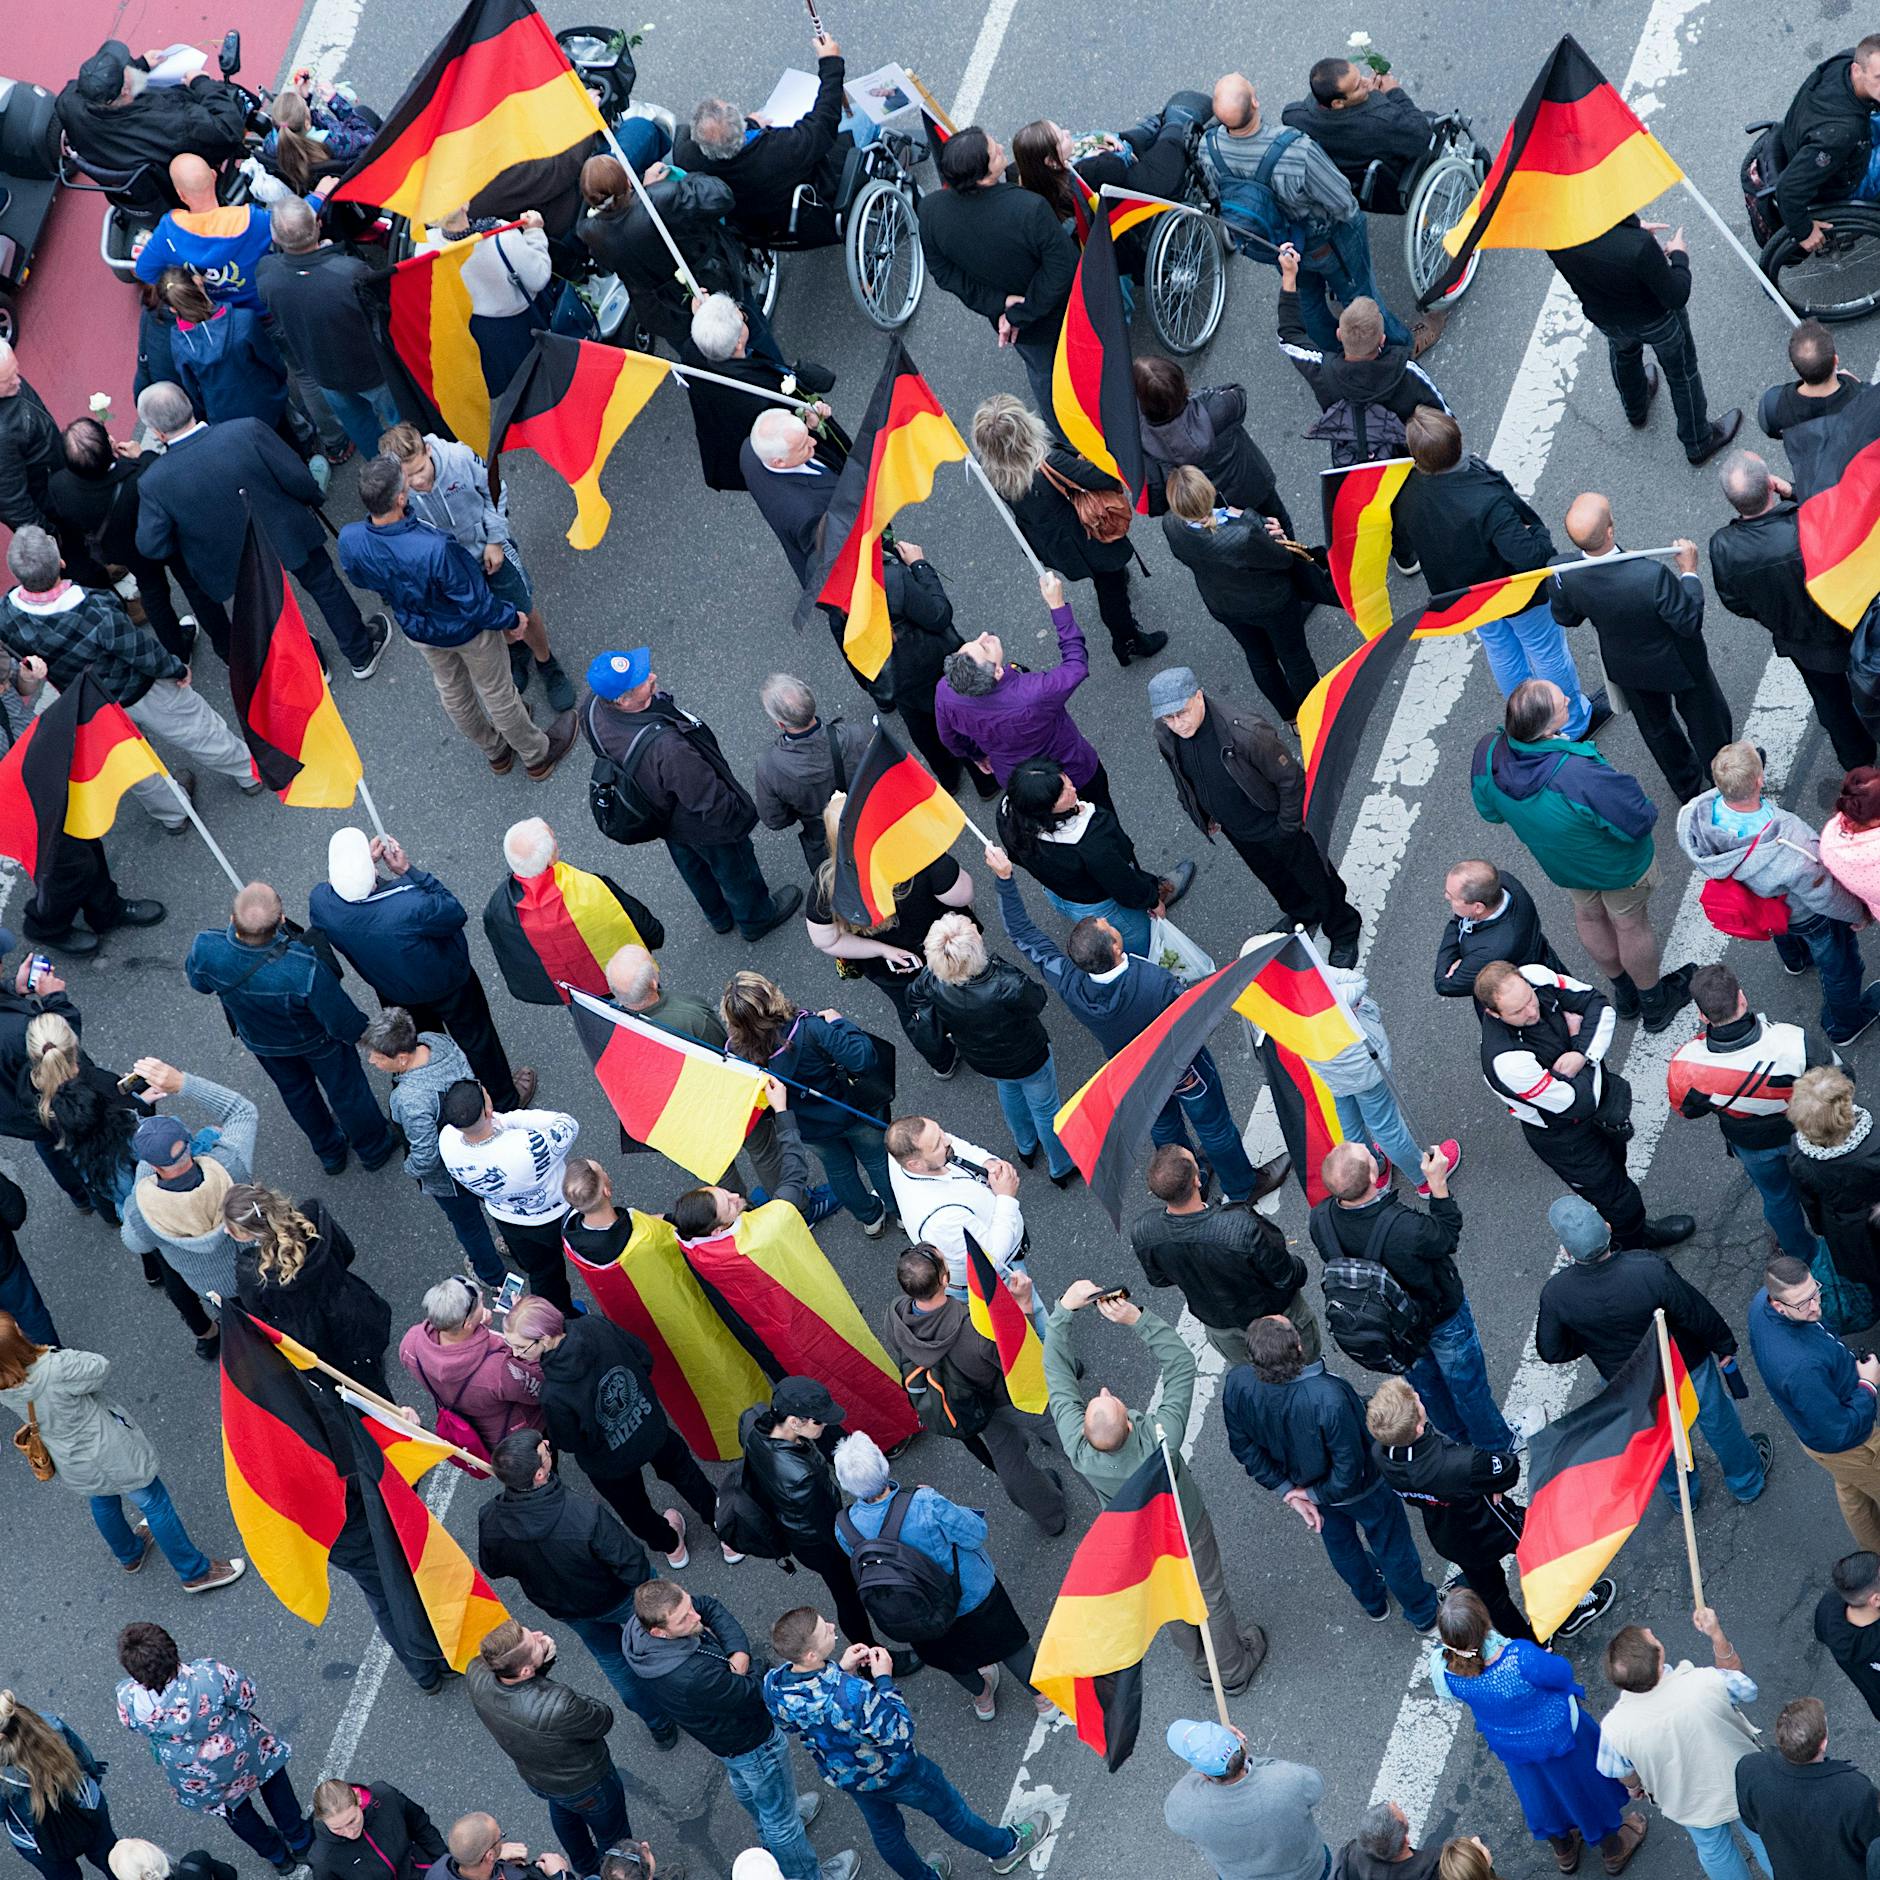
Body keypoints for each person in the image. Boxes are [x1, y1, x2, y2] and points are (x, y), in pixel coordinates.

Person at [992, 849, 1262, 1196]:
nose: (1111, 924)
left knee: (1164, 1128)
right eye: (1109, 927)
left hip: (1134, 1071)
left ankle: (1188, 1180)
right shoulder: (1154, 983)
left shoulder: (1070, 984)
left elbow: (1023, 934)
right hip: (1183, 1066)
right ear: (1116, 949)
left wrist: (1004, 879)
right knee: (1214, 1127)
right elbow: (1193, 1016)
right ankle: (1242, 1187)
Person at [1046, 1284, 1268, 1688]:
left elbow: (1058, 1378)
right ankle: (1231, 1669)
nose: (1105, 1390)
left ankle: (1201, 1667)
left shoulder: (1080, 1451)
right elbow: (1181, 1363)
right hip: (1185, 1523)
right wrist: (1137, 1318)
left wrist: (1062, 1312)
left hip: (1137, 1538)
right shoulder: (1160, 1436)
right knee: (1209, 1594)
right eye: (1112, 1400)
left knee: (1169, 1600)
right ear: (1130, 1425)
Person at [0, 527, 260, 832]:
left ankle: (172, 813)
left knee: (134, 763)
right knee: (197, 730)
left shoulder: (7, 614)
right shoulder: (94, 606)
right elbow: (138, 650)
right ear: (61, 563)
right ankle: (248, 773)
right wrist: (175, 668)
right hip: (139, 688)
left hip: (91, 702)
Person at [762, 1606, 1051, 1879]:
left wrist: (840, 1670)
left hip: (849, 1777)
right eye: (824, 1630)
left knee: (887, 1835)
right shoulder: (850, 1694)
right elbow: (900, 1733)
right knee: (952, 1813)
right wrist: (883, 1679)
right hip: (897, 1771)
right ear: (811, 1655)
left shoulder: (775, 1685)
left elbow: (794, 1722)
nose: (831, 1626)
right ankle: (1006, 1848)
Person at [1472, 681, 1691, 1030]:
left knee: (1589, 916)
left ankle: (1625, 994)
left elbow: (1490, 812)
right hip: (1617, 866)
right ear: (1546, 730)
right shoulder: (1576, 774)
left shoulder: (1488, 753)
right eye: (1561, 702)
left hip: (1563, 864)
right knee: (1630, 924)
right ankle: (1654, 1001)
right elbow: (1637, 820)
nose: (1567, 698)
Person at [340, 458, 576, 781]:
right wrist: (511, 618)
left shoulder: (350, 539)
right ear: (400, 499)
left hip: (419, 630)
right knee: (498, 693)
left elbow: (360, 577)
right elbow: (475, 602)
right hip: (466, 631)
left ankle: (496, 752)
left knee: (454, 692)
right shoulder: (435, 547)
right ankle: (537, 755)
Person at [133, 382, 390, 676]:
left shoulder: (154, 481)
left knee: (270, 613)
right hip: (284, 529)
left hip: (233, 561)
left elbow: (152, 545)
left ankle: (314, 667)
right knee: (323, 585)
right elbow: (296, 476)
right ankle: (360, 651)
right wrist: (313, 497)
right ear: (189, 404)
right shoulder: (246, 430)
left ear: (157, 432)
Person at [1536, 1194, 1770, 1505]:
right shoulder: (1648, 1268)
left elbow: (1551, 1350)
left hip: (1628, 1379)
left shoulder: (1557, 1294)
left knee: (1656, 1441)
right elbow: (1692, 1311)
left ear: (1567, 1251)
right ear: (1608, 1228)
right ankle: (1747, 1482)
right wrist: (1723, 1344)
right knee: (1717, 1421)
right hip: (1683, 1362)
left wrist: (1591, 1341)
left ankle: (1683, 1497)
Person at [624, 1581, 857, 1880]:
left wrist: (739, 1655)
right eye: (684, 1618)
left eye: (689, 1605)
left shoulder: (642, 1627)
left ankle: (773, 1832)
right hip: (751, 1741)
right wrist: (755, 1664)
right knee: (781, 1822)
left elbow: (709, 1605)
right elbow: (752, 1691)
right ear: (660, 1632)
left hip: (724, 1741)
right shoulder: (693, 1676)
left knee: (748, 1786)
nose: (696, 1616)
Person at [1225, 1312, 1439, 1630]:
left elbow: (1244, 1448)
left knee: (1342, 1546)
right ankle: (1423, 1612)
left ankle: (1373, 1602)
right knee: (1392, 1546)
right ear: (1298, 1347)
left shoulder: (1238, 1383)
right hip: (1361, 1489)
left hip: (1307, 1486)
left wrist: (1291, 1491)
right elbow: (1349, 1468)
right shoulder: (1329, 1397)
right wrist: (1309, 1494)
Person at [0, 1313, 242, 1588]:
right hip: (106, 1451)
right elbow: (99, 1368)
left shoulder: (5, 1386)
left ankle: (130, 1554)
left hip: (70, 1458)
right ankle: (195, 1572)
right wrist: (49, 1353)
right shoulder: (55, 1368)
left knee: (102, 1499)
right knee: (155, 1503)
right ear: (17, 1342)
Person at [1397, 410, 1597, 733]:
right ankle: (1572, 724)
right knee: (1545, 650)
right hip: (1514, 592)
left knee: (1501, 648)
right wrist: (1538, 532)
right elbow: (1531, 558)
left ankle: (1528, 722)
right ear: (1458, 439)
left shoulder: (1406, 492)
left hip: (1469, 596)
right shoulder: (1486, 501)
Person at [582, 647, 802, 941]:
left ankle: (718, 916)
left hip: (663, 817)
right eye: (642, 681)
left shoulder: (592, 708)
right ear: (623, 700)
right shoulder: (668, 748)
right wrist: (737, 819)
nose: (652, 676)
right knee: (735, 868)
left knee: (691, 865)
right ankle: (757, 918)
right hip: (701, 822)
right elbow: (709, 799)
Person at [833, 1432, 1052, 1723]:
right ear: (882, 1465)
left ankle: (983, 1697)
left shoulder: (845, 1526)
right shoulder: (924, 1502)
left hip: (915, 1612)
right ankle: (1043, 1699)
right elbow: (975, 1533)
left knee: (952, 1657)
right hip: (970, 1594)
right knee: (1009, 1643)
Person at [1474, 960, 1694, 1248]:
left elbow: (1599, 1006)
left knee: (1618, 1170)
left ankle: (1633, 1235)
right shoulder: (1508, 1062)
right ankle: (1635, 1250)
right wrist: (1580, 1037)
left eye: (1529, 999)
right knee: (1618, 1200)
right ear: (1493, 1013)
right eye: (1518, 1012)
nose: (1532, 1011)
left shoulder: (1536, 976)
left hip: (1599, 1106)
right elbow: (1580, 1102)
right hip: (1566, 1138)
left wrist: (1580, 1055)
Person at [1150, 669, 1363, 965]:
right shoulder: (1166, 734)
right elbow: (1182, 776)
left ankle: (1344, 928)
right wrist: (1202, 813)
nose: (1177, 724)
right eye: (1168, 718)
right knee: (1275, 879)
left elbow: (1291, 780)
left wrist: (1287, 827)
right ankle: (1303, 913)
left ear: (1198, 696)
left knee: (1316, 878)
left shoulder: (1247, 732)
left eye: (1182, 713)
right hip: (1237, 829)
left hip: (1276, 824)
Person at [1202, 73, 1423, 354]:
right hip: (1324, 243)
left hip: (1279, 246)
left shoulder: (1209, 148)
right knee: (1359, 295)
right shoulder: (1295, 150)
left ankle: (1330, 351)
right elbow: (1343, 202)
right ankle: (1401, 346)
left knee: (1307, 299)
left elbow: (1216, 192)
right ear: (1255, 102)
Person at [186, 883, 398, 1174]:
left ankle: (330, 1153)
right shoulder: (303, 966)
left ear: (233, 919)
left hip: (262, 1042)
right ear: (282, 920)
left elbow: (200, 985)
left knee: (298, 1095)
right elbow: (341, 1021)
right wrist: (369, 1037)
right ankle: (374, 1149)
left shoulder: (206, 947)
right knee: (347, 1091)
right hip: (317, 1041)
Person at [1430, 1591, 1647, 1875]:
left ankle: (1565, 1851)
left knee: (1542, 1800)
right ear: (1484, 1622)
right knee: (1587, 1792)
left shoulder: (1446, 1672)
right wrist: (1543, 1657)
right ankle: (1613, 1850)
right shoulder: (1520, 1657)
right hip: (1562, 1740)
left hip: (1515, 1750)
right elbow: (1562, 1673)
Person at [476, 1430, 670, 1745]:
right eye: (544, 1450)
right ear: (540, 1475)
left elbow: (493, 1568)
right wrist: (651, 1587)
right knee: (666, 1629)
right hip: (617, 1597)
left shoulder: (491, 1518)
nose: (549, 1445)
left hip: (566, 1608)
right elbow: (631, 1563)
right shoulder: (583, 1513)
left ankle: (658, 1724)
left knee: (614, 1662)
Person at [315, 829, 531, 1112]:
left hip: (394, 989)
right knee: (476, 1038)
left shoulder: (321, 905)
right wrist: (407, 870)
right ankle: (503, 1100)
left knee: (423, 1048)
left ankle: (444, 1103)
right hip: (448, 982)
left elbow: (333, 890)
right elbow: (453, 912)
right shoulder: (409, 905)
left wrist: (360, 870)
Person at [1314, 1143, 1510, 1448]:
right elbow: (1446, 1236)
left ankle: (1459, 1441)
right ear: (1373, 1175)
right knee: (1468, 1389)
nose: (1368, 1148)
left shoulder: (1320, 1219)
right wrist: (1438, 1184)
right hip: (1441, 1318)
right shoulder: (1404, 1227)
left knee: (1428, 1389)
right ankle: (1496, 1446)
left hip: (1395, 1331)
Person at [1683, 742, 1880, 1043]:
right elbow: (1825, 895)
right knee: (1841, 969)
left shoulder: (1694, 818)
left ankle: (1796, 961)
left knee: (1783, 929)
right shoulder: (1790, 840)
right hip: (1809, 916)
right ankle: (1844, 1025)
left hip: (1764, 905)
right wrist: (1859, 914)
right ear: (1759, 780)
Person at [508, 1297, 720, 1569]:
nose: (515, 1354)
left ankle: (671, 1545)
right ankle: (726, 1530)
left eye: (520, 1346)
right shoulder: (595, 1325)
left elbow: (569, 1442)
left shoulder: (553, 1394)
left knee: (634, 1509)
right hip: (649, 1425)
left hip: (609, 1462)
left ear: (546, 1338)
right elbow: (644, 1357)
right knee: (686, 1474)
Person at [378, 424, 575, 712]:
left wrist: (494, 540)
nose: (417, 481)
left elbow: (495, 492)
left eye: (420, 469)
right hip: (454, 572)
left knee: (523, 608)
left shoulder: (459, 458)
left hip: (489, 551)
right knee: (489, 615)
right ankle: (516, 650)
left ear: (428, 450)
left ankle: (547, 663)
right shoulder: (396, 491)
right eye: (408, 476)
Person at [1550, 502, 1731, 802]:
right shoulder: (1650, 575)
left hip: (1627, 667)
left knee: (1657, 730)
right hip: (1679, 661)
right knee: (1707, 722)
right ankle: (1724, 776)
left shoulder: (1564, 571)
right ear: (1610, 531)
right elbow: (1688, 621)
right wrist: (1689, 572)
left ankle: (1686, 786)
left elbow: (1567, 616)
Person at [881, 1245, 1067, 1535]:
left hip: (972, 1406)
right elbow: (1018, 1355)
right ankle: (1111, 1483)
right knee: (1067, 1434)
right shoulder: (973, 1330)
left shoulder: (896, 1316)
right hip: (1007, 1397)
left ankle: (1049, 1516)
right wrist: (1024, 1305)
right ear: (945, 1279)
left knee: (1008, 1458)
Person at [965, 399, 1164, 664]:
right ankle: (1127, 641)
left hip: (1051, 542)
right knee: (1110, 588)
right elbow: (1106, 478)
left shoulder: (990, 471)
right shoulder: (1051, 462)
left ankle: (1122, 616)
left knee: (1106, 579)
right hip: (1088, 538)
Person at [1711, 451, 1875, 771]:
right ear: (1770, 485)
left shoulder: (1724, 548)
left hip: (1803, 645)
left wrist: (1775, 615)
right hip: (1852, 627)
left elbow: (1736, 602)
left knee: (1833, 705)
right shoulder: (1808, 523)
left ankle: (1858, 761)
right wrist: (1795, 492)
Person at [1367, 1378, 1550, 1647]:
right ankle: (1570, 1608)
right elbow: (1508, 1468)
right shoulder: (1460, 1462)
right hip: (1492, 1523)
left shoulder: (1380, 1454)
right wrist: (1489, 1483)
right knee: (1545, 1552)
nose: (1418, 1395)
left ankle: (1529, 1646)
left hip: (1451, 1537)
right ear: (1418, 1426)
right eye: (1415, 1400)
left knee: (1493, 1598)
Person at [1669, 963, 1832, 1263]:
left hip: (1751, 1144)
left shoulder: (1686, 1065)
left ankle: (1803, 1254)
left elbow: (1687, 1111)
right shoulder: (1792, 1041)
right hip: (1806, 1131)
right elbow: (1841, 1079)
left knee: (1778, 1199)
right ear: (1742, 998)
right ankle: (1841, 1242)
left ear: (1702, 1015)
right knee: (1827, 1187)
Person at [917, 127, 1080, 419]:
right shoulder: (1029, 208)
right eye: (995, 153)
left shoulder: (930, 210)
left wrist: (999, 303)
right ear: (982, 176)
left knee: (1043, 374)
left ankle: (1061, 430)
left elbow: (943, 272)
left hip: (1019, 328)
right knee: (1066, 368)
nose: (1002, 148)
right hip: (1057, 314)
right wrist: (1020, 312)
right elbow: (1062, 267)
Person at [1547, 215, 1739, 463]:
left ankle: (1636, 408)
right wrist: (1679, 255)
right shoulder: (1639, 246)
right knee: (1682, 372)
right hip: (1656, 320)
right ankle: (1698, 440)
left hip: (1608, 318)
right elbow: (1676, 294)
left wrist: (1630, 228)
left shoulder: (1554, 238)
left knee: (1624, 354)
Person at [114, 1625, 306, 1873]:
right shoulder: (208, 1675)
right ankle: (300, 1840)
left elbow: (133, 1726)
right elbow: (247, 1696)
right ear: (172, 1650)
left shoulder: (128, 1699)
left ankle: (278, 1857)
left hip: (195, 1771)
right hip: (240, 1747)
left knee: (235, 1809)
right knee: (271, 1778)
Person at [594, 949, 785, 1193]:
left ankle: (738, 1213)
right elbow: (726, 1057)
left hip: (681, 1119)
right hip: (722, 1102)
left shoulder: (609, 1027)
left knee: (719, 1174)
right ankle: (787, 1200)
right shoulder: (691, 1015)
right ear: (653, 982)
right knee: (764, 1150)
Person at [804, 799, 972, 1076]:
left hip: (893, 968)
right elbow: (962, 895)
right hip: (946, 949)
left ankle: (943, 1062)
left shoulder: (828, 885)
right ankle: (976, 1041)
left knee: (914, 1011)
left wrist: (882, 950)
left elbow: (825, 940)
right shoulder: (919, 856)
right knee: (966, 993)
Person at [1597, 1611, 1769, 1880]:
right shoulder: (1703, 1683)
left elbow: (1620, 1770)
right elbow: (1744, 1686)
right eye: (1651, 1637)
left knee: (1714, 1850)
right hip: (1739, 1783)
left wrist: (1634, 1785)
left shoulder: (1614, 1728)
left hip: (1687, 1801)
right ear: (1659, 1657)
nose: (1650, 1630)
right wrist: (1716, 1634)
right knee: (1763, 1835)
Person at [738, 1378, 903, 1659]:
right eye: (818, 1420)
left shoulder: (756, 1428)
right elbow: (828, 1522)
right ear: (794, 1422)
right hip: (820, 1543)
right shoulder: (802, 1478)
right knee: (848, 1595)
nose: (825, 1424)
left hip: (792, 1529)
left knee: (844, 1591)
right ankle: (868, 1655)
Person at [720, 973, 896, 1234]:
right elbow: (862, 1058)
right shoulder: (810, 1028)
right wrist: (840, 1022)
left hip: (808, 1127)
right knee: (877, 1160)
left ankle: (870, 1218)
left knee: (839, 1171)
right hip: (853, 1111)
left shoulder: (737, 1054)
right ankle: (898, 1210)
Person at [910, 912, 1078, 1183]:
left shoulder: (933, 980)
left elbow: (913, 997)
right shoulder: (1005, 983)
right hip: (1027, 1056)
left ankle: (1026, 1145)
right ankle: (1061, 1166)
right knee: (1046, 1110)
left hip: (983, 1060)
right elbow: (1037, 1000)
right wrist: (1000, 967)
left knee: (1009, 1090)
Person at [465, 1620, 630, 1877]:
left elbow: (526, 1692)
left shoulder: (476, 1672)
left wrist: (539, 1664)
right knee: (614, 1835)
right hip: (587, 1782)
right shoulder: (560, 1705)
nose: (539, 1635)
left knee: (564, 1813)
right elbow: (601, 1719)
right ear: (525, 1671)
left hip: (539, 1777)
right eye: (534, 1643)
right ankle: (617, 1872)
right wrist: (543, 1666)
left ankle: (585, 1868)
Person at [1160, 467, 1322, 723]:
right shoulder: (1244, 532)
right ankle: (1317, 716)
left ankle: (1292, 718)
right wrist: (1255, 520)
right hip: (1272, 602)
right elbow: (1282, 560)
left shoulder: (1171, 525)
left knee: (1260, 660)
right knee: (1295, 658)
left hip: (1223, 604)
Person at [1747, 1254, 1880, 1551]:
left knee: (1852, 1491)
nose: (1816, 1306)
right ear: (1779, 1306)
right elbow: (1839, 1430)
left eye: (1814, 1292)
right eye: (1803, 1303)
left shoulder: (1762, 1303)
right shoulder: (1801, 1368)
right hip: (1853, 1445)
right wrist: (1868, 1385)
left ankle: (1873, 1556)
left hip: (1822, 1443)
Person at [1275, 248, 1447, 473]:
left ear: (1339, 335)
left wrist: (1289, 276)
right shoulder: (1407, 371)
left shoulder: (1322, 372)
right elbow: (1444, 415)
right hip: (1402, 457)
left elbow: (1289, 336)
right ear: (1382, 339)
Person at [361, 1014, 505, 1284]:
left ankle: (491, 1274)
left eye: (377, 1057)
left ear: (401, 1059)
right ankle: (513, 1245)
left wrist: (410, 1168)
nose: (371, 1061)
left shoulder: (409, 1099)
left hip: (450, 1176)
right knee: (499, 1199)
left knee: (469, 1225)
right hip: (484, 1145)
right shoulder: (437, 1042)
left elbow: (426, 1156)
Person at [46, 417, 203, 662]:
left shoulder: (59, 486)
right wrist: (142, 455)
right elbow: (159, 473)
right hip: (165, 539)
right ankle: (222, 635)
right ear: (108, 447)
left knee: (153, 593)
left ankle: (178, 652)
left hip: (124, 550)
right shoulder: (138, 473)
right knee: (191, 582)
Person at [993, 757, 1185, 957]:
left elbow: (1017, 857)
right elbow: (1124, 883)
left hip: (1061, 895)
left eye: (1064, 779)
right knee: (1145, 945)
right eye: (1061, 793)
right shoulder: (1091, 841)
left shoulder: (1009, 815)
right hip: (1106, 905)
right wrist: (1153, 901)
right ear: (1044, 809)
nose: (1072, 789)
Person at [1130, 1143, 1303, 1364]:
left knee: (1251, 1372)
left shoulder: (1144, 1231)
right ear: (1197, 1180)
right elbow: (1286, 1274)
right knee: (1302, 1363)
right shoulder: (1239, 1226)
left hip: (1219, 1325)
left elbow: (1159, 1279)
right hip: (1272, 1316)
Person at [257, 199, 403, 459]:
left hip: (324, 372)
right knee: (400, 423)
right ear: (319, 225)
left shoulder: (267, 274)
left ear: (275, 237)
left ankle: (382, 468)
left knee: (362, 429)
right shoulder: (350, 272)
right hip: (373, 370)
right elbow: (383, 311)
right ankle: (412, 462)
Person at [118, 1066, 258, 1316]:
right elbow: (242, 1111)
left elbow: (133, 1242)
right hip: (260, 1267)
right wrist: (183, 1083)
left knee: (249, 1331)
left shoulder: (144, 1215)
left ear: (154, 1165)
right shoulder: (230, 1165)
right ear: (188, 1144)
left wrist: (143, 1177)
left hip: (218, 1290)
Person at [226, 1183, 391, 1395]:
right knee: (369, 1369)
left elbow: (260, 1314)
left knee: (342, 1387)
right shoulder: (314, 1220)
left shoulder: (253, 1272)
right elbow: (347, 1252)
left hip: (313, 1338)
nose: (226, 1230)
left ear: (248, 1233)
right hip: (351, 1311)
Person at [484, 817, 663, 1009]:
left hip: (573, 991)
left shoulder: (497, 907)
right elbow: (648, 928)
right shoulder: (591, 888)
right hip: (620, 977)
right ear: (551, 859)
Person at [1311, 971, 1464, 1194]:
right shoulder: (1308, 988)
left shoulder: (1270, 1005)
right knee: (1385, 1125)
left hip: (1327, 1068)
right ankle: (1423, 1177)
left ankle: (1371, 1168)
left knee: (1349, 1119)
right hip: (1360, 1064)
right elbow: (1357, 981)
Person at [55, 39, 247, 211]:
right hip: (174, 181)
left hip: (138, 187)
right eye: (126, 69)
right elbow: (228, 130)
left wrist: (141, 65)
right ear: (125, 89)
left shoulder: (66, 103)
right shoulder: (173, 121)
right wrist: (201, 82)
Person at [680, 293, 839, 494]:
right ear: (739, 343)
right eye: (742, 319)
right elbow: (793, 434)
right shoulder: (760, 393)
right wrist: (812, 422)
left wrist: (705, 317)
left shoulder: (692, 353)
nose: (744, 315)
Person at [438, 1084, 576, 1311]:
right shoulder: (526, 1148)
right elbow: (567, 1124)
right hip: (552, 1216)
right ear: (487, 1110)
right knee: (571, 1261)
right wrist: (507, 1120)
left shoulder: (447, 1140)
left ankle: (557, 1316)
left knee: (540, 1270)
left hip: (506, 1217)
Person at [1734, 1695, 1880, 1880]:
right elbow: (1874, 1845)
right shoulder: (1856, 1791)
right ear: (1823, 1743)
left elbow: (1751, 1823)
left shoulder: (1750, 1768)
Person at [1162, 1719, 1328, 1880]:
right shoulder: (1289, 1780)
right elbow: (1316, 1783)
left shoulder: (1185, 1809)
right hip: (1310, 1872)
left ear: (1203, 1773)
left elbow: (1185, 1791)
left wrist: (1209, 1759)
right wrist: (1241, 1757)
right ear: (1241, 1747)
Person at [883, 1117, 1033, 1295]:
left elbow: (959, 1147)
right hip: (1002, 1276)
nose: (948, 1140)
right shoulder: (941, 1221)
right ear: (915, 1164)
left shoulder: (904, 1152)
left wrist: (986, 1162)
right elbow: (992, 1260)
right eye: (937, 1144)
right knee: (1028, 1309)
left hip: (1005, 1248)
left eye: (941, 1132)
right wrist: (1006, 1197)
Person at [1133, 358, 1288, 525]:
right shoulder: (1215, 409)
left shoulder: (1139, 438)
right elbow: (1237, 392)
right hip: (1251, 485)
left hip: (1205, 506)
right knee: (1278, 524)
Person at [402, 1278, 541, 1453]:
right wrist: (524, 1331)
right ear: (467, 1323)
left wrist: (478, 1328)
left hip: (480, 1436)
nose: (482, 1295)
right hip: (519, 1436)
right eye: (480, 1302)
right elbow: (540, 1387)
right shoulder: (499, 1370)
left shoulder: (411, 1343)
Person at [1769, 40, 1880, 255]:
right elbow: (1788, 188)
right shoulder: (1839, 134)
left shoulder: (1843, 61)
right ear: (1857, 70)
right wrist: (1804, 232)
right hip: (1845, 178)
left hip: (1831, 139)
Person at [754, 677, 869, 877]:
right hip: (868, 821)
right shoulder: (859, 736)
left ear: (780, 724)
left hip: (822, 838)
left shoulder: (769, 767)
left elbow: (775, 820)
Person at [1282, 56, 1437, 198]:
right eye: (1357, 87)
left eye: (1360, 76)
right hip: (1388, 190)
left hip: (1342, 188)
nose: (1367, 82)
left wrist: (1368, 95)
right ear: (1338, 103)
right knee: (1430, 118)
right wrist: (1393, 93)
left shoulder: (1293, 116)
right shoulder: (1382, 121)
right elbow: (1421, 136)